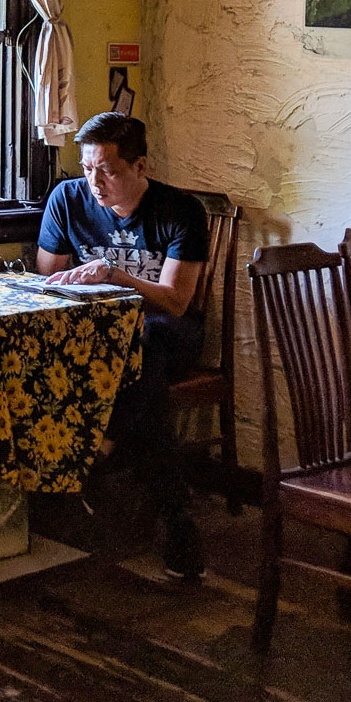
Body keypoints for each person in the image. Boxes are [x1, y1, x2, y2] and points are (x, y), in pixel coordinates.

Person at [36, 112, 210, 580]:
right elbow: (45, 281)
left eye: (108, 171)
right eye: (87, 167)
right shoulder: (67, 199)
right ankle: (172, 514)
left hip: (166, 331)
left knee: (143, 349)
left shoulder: (181, 211)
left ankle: (100, 452)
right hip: (97, 332)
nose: (95, 181)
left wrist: (113, 275)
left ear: (141, 167)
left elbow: (175, 302)